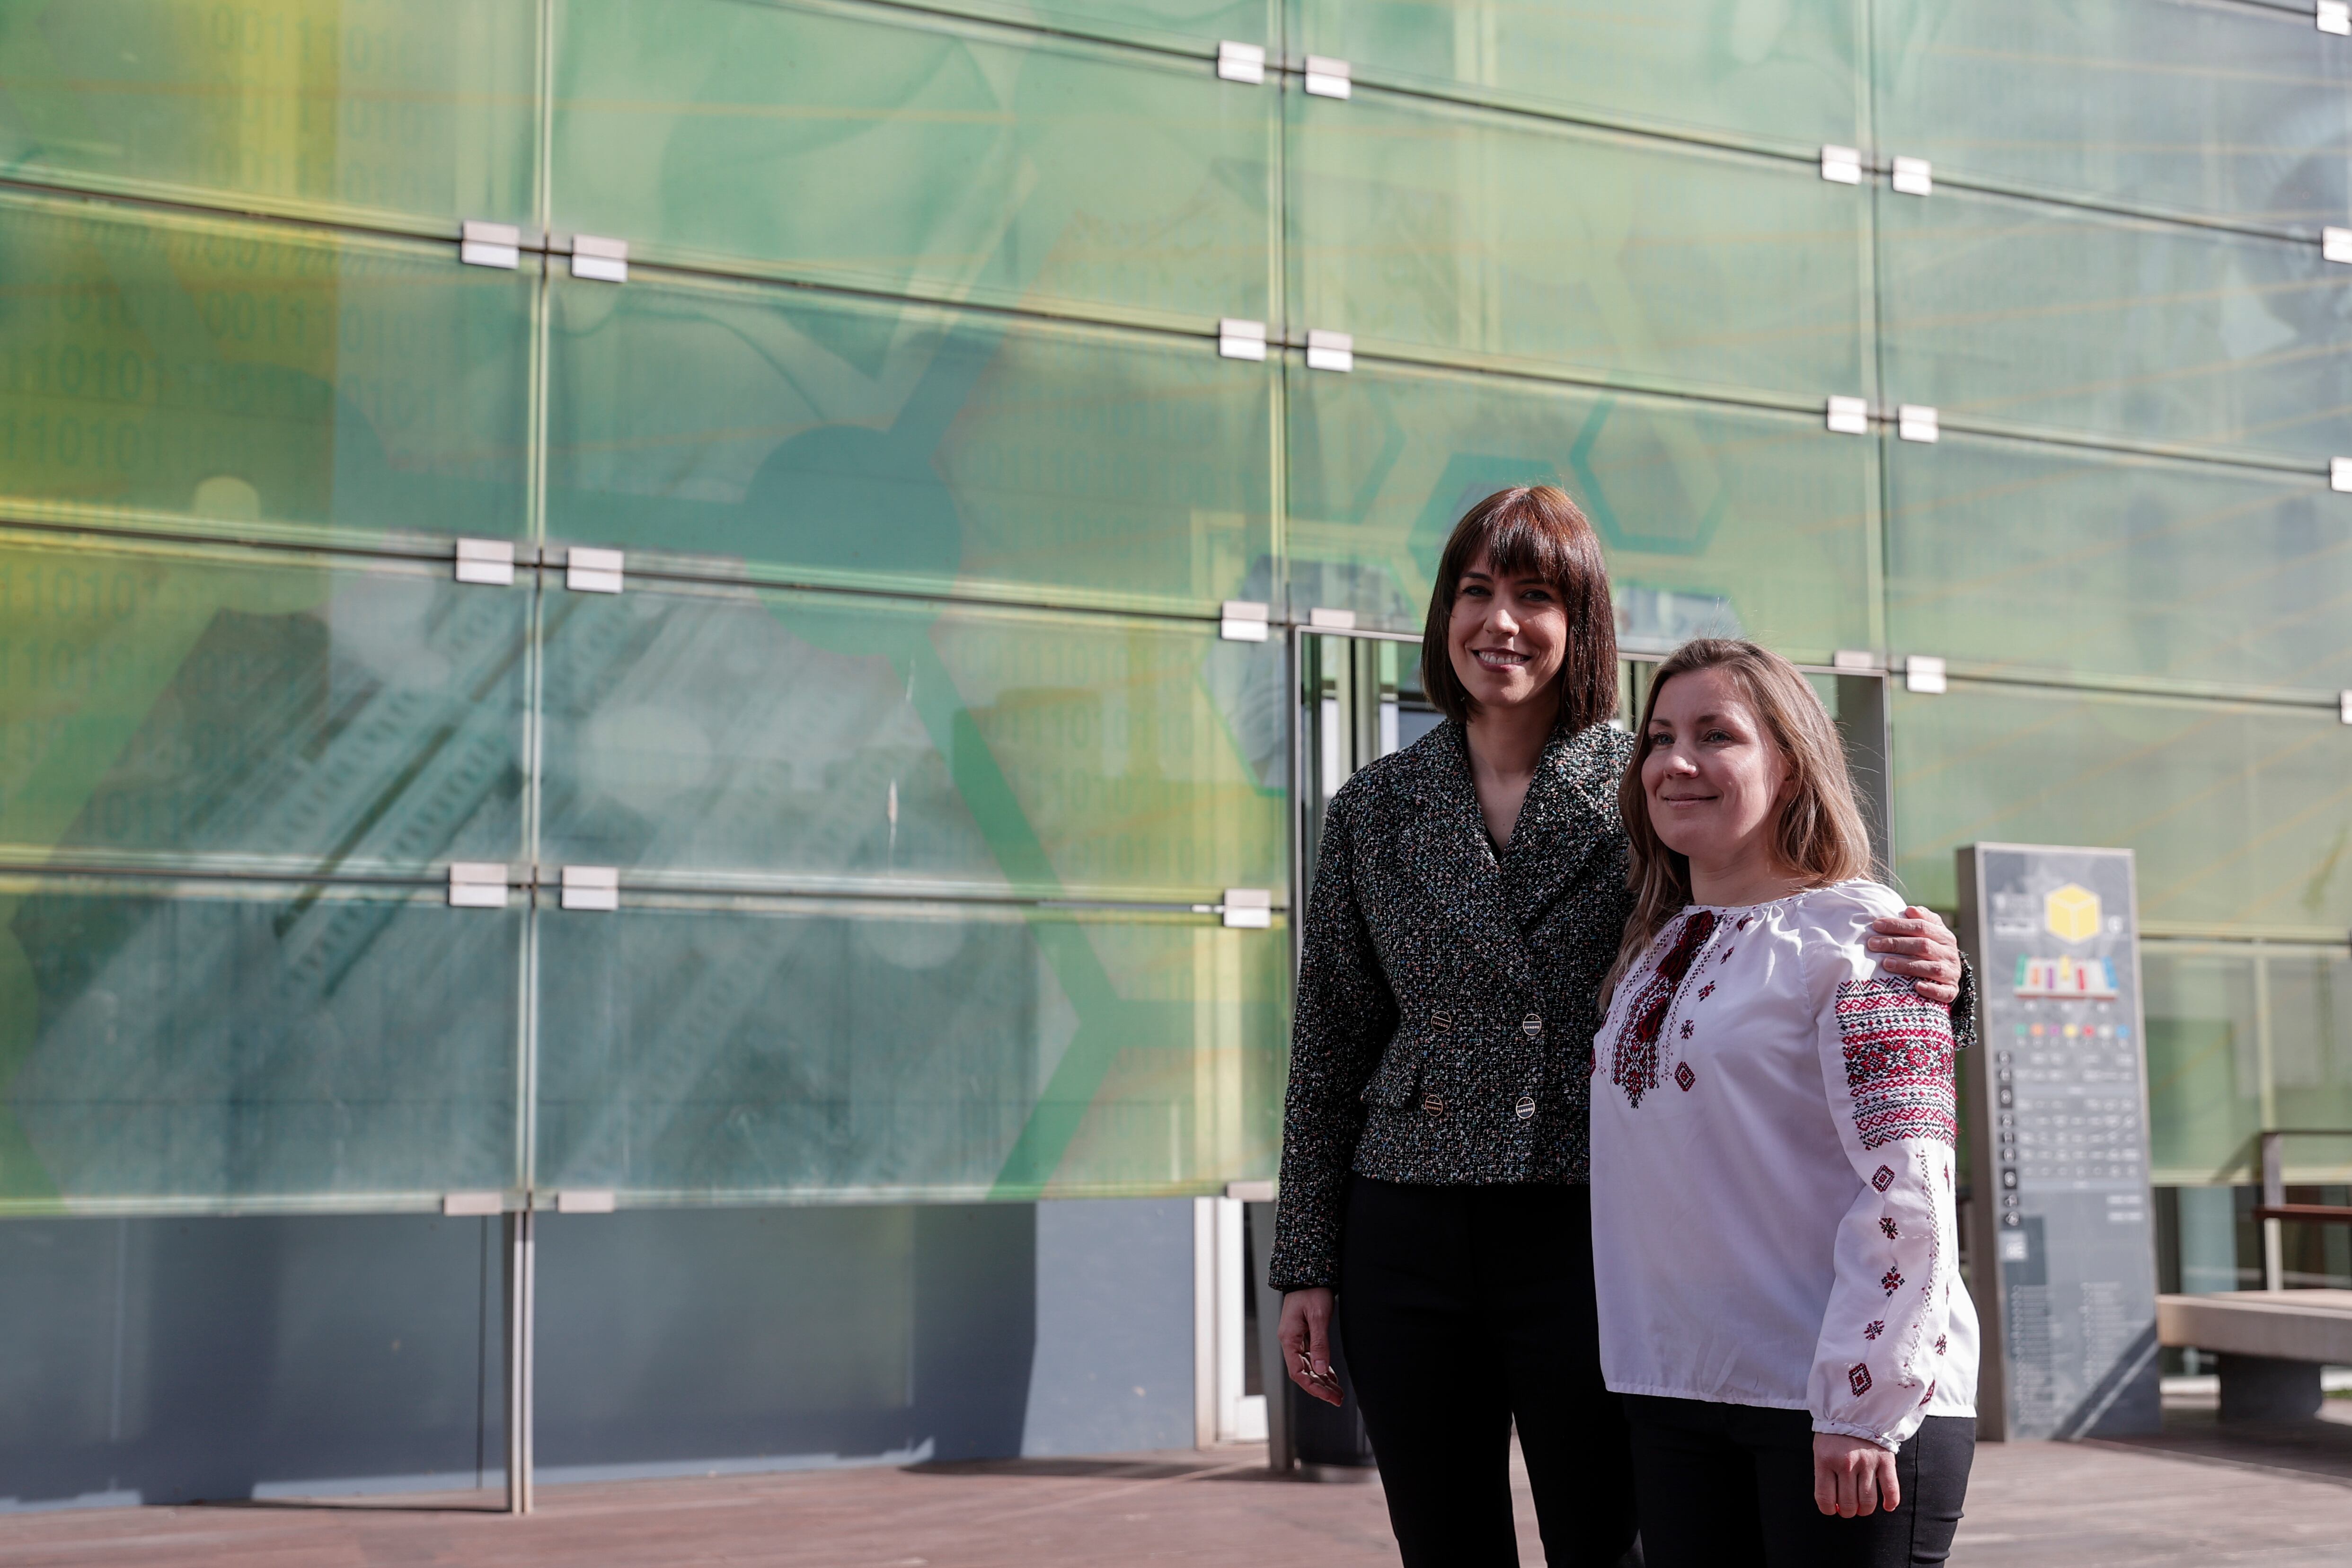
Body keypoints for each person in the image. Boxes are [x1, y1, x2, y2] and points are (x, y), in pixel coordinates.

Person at [1266, 487, 1972, 1567]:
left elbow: (1778, 920)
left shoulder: (1645, 781)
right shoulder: (1375, 804)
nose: (1499, 623)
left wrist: (1938, 980)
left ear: (1580, 620)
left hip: (1587, 1227)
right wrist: (1306, 1261)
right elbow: (1329, 1046)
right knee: (1441, 1538)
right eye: (1475, 592)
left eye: (1535, 596)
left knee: (1608, 1539)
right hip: (1402, 1222)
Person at [1590, 638, 1978, 1567]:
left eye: (1715, 734)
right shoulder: (1650, 947)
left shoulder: (1867, 937)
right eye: (1658, 737)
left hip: (1836, 1411)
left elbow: (1909, 1189)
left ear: (1789, 762)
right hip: (1674, 1393)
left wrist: (1860, 1402)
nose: (1675, 762)